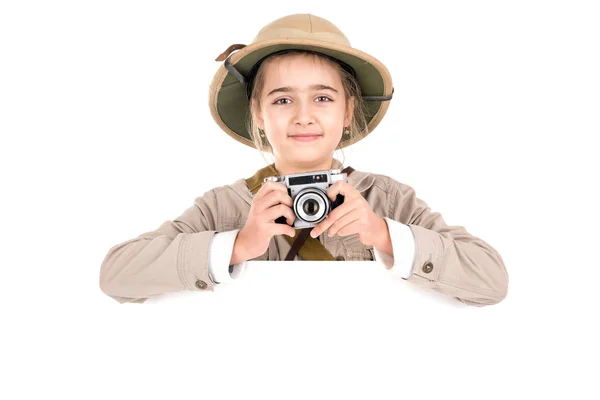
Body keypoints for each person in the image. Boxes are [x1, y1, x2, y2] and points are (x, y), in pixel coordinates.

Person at [99, 13, 509, 306]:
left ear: (347, 111)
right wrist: (238, 244)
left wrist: (382, 233)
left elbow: (491, 281)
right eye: (282, 99)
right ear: (258, 113)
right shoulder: (225, 207)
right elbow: (116, 275)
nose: (303, 115)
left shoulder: (386, 199)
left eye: (323, 98)